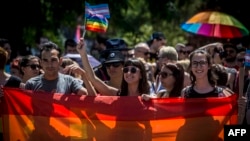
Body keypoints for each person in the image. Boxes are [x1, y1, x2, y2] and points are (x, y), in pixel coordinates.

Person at [77, 38, 150, 96]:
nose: (128, 73)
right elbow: (93, 78)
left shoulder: (148, 94)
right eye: (126, 70)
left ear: (141, 74)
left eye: (133, 70)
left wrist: (150, 99)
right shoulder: (119, 94)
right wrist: (83, 54)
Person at [25, 41, 96, 96]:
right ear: (41, 62)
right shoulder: (31, 84)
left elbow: (92, 99)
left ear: (60, 61)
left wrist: (83, 75)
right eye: (45, 60)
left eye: (53, 60)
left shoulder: (69, 81)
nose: (49, 65)